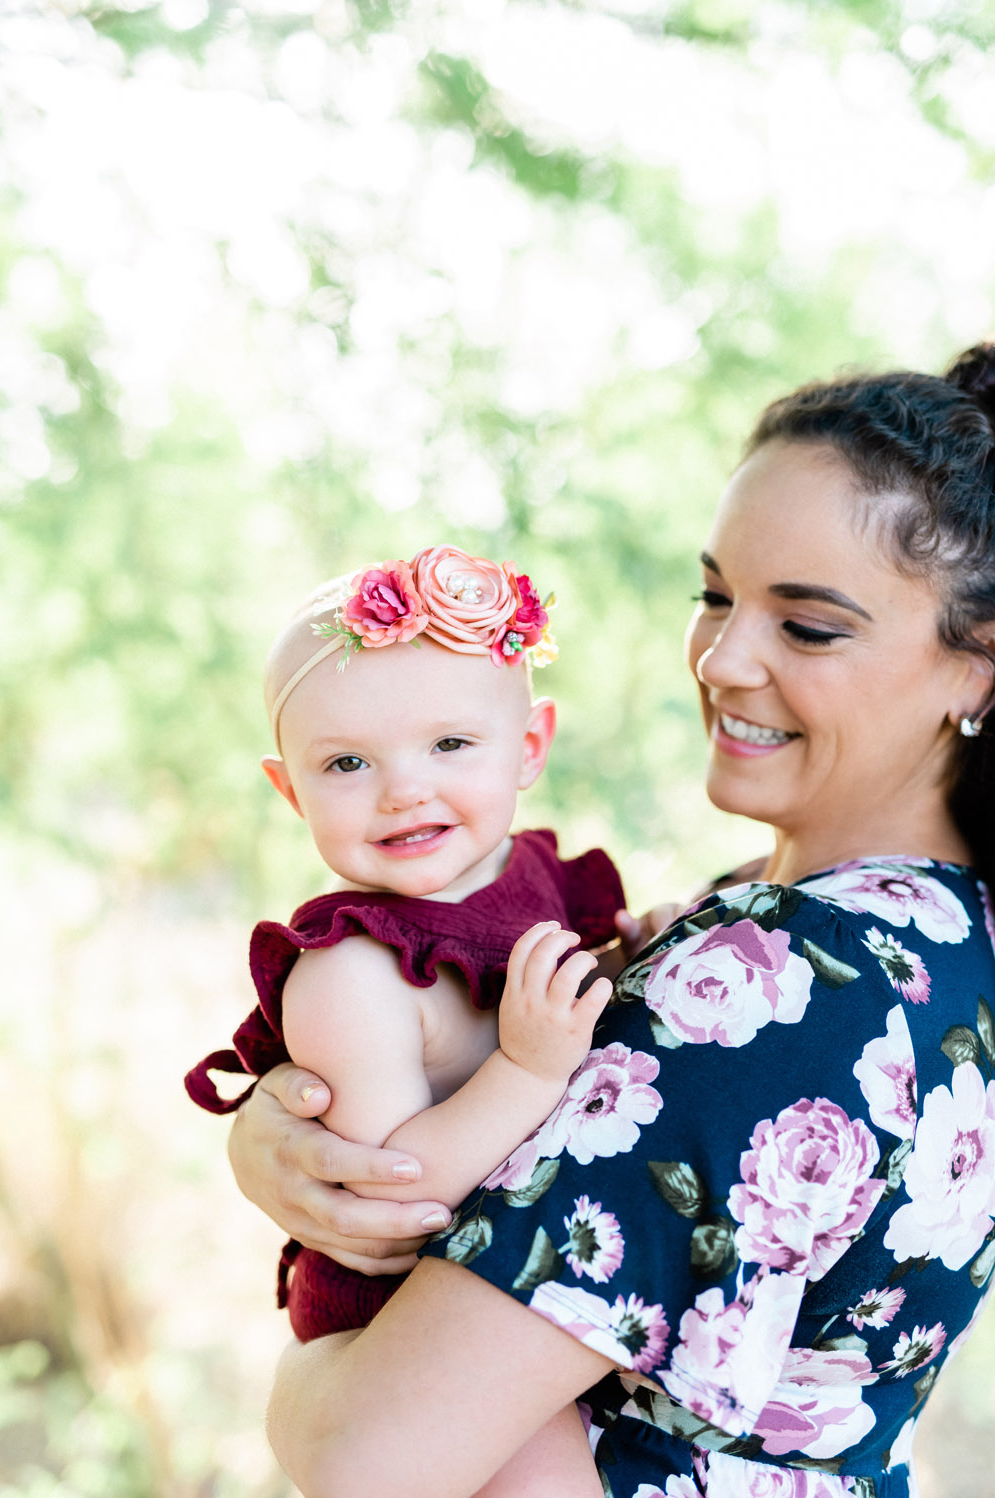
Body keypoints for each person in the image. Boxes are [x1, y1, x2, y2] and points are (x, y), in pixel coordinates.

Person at [230, 344, 995, 1497]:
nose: (723, 658)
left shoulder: (783, 976)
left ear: (976, 671)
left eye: (810, 627)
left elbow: (364, 1457)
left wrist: (303, 1371)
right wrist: (285, 1139)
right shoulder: (939, 932)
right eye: (716, 595)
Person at [186, 543, 631, 1495]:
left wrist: (640, 943)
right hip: (399, 1310)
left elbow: (589, 970)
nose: (403, 788)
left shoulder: (530, 874)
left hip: (508, 1272)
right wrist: (527, 1069)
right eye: (346, 762)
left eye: (450, 745)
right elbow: (389, 1202)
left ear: (530, 748)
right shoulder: (353, 970)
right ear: (290, 790)